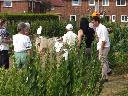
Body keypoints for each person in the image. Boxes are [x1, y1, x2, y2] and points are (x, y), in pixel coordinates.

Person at [91, 16, 111, 81]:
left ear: (97, 21)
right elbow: (98, 38)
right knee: (105, 60)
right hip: (101, 46)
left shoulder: (103, 28)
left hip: (104, 47)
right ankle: (108, 71)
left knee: (102, 61)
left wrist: (101, 49)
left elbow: (104, 40)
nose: (92, 23)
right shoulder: (97, 28)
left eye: (93, 22)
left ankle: (104, 78)